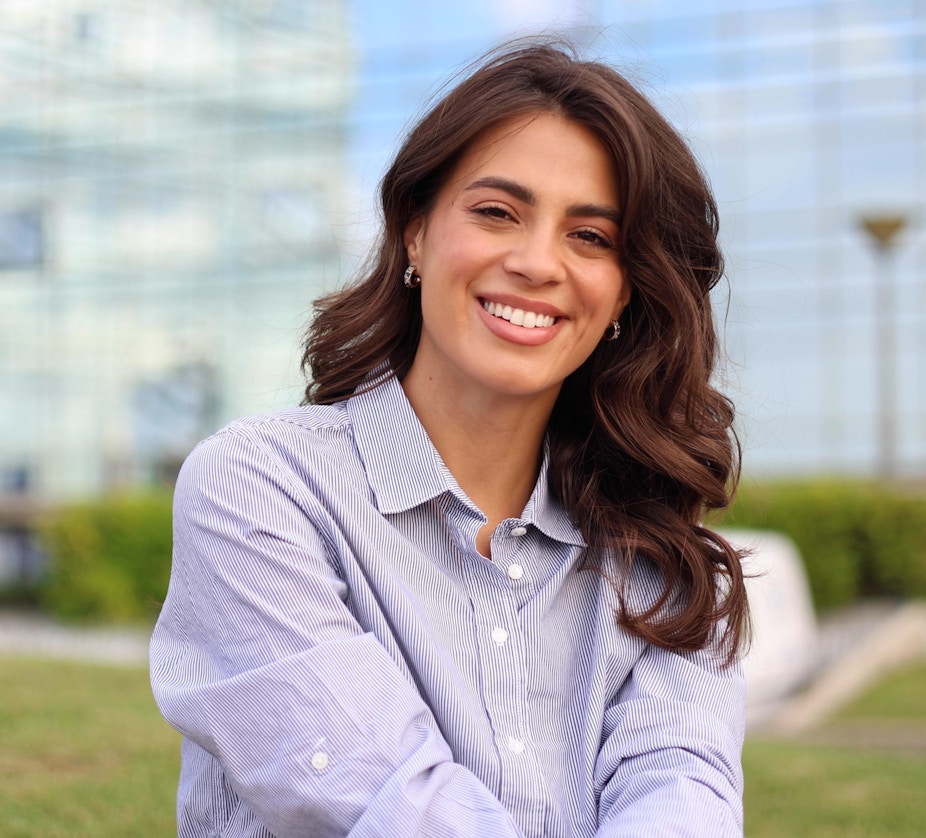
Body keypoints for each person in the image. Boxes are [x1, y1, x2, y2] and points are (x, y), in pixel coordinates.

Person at [150, 40, 749, 838]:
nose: (538, 262)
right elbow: (377, 802)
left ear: (624, 297)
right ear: (415, 234)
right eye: (497, 212)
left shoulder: (669, 565)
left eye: (591, 237)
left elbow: (683, 799)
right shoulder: (258, 488)